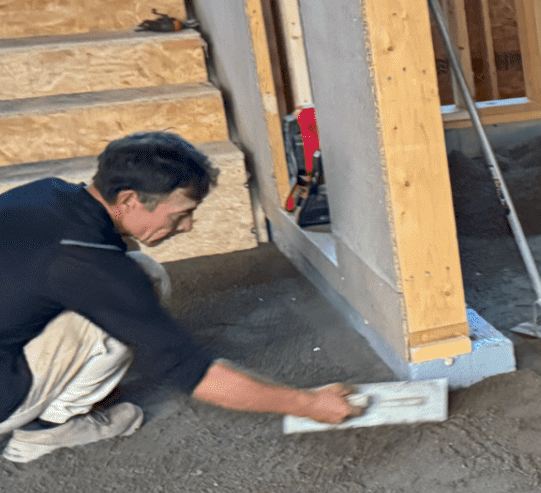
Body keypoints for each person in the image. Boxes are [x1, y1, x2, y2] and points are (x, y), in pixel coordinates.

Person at [0, 132, 359, 464]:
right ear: (128, 200)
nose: (187, 226)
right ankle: (48, 429)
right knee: (133, 290)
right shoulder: (89, 265)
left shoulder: (47, 193)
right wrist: (307, 403)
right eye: (181, 214)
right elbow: (192, 372)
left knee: (134, 271)